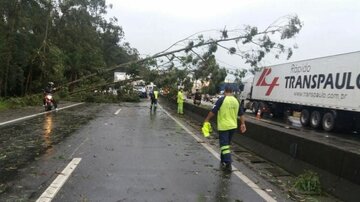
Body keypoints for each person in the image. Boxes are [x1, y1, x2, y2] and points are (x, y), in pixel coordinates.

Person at [203, 85, 246, 172]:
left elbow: (213, 111)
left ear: (225, 91)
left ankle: (228, 162)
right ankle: (223, 160)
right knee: (226, 145)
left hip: (224, 126)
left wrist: (206, 120)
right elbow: (241, 114)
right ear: (232, 91)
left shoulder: (222, 99)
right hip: (233, 126)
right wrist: (243, 124)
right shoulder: (236, 101)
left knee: (224, 145)